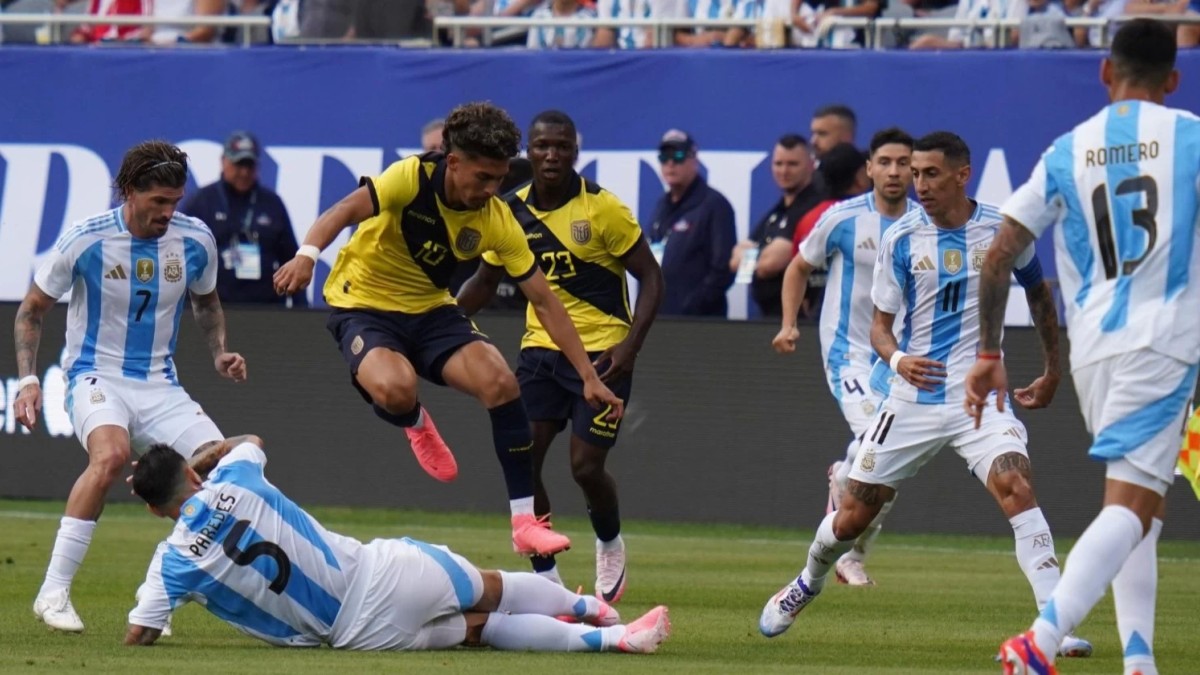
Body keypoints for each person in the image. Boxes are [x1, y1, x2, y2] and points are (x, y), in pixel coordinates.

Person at [758, 132, 1092, 662]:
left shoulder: (1005, 231)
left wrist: (1053, 369)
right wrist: (897, 360)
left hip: (977, 396)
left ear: (963, 174)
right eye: (915, 174)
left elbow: (1038, 293)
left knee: (1017, 486)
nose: (920, 185)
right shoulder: (902, 238)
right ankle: (806, 581)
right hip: (910, 398)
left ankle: (1053, 626)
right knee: (851, 518)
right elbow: (880, 328)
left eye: (930, 173)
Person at [272, 102, 625, 559]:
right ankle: (415, 421)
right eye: (484, 177)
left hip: (431, 310)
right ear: (453, 162)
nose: (492, 190)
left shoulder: (497, 218)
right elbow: (343, 210)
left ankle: (524, 523)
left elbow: (545, 301)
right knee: (396, 390)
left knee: (501, 381)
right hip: (363, 304)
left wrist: (589, 377)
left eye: (500, 178)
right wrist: (306, 256)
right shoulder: (411, 177)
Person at [969, 20, 1197, 675]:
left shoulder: (1067, 151)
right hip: (1163, 340)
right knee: (1131, 504)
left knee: (1142, 501)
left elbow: (999, 254)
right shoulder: (1190, 136)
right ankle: (1039, 641)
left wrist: (988, 354)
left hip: (1094, 348)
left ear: (1104, 71)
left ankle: (1139, 658)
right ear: (1173, 79)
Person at [124, 436, 671, 654]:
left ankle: (615, 641)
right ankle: (594, 608)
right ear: (192, 475)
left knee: (481, 630)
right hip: (380, 574)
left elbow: (140, 633)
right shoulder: (236, 476)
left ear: (152, 509)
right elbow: (249, 442)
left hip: (355, 637)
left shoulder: (171, 564)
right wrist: (200, 462)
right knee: (493, 588)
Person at [12, 140, 247, 633]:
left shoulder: (195, 240)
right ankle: (53, 593)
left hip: (160, 385)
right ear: (129, 192)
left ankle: (156, 592)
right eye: (158, 201)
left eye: (174, 202)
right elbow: (32, 310)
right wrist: (29, 379)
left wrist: (219, 352)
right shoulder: (86, 239)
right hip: (95, 375)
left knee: (222, 474)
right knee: (112, 456)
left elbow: (206, 303)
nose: (167, 213)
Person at [457, 111, 664, 601]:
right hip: (539, 354)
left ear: (576, 151)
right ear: (528, 151)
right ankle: (547, 577)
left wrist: (630, 347)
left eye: (562, 146)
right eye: (542, 146)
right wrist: (437, 319)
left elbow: (652, 277)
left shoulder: (602, 208)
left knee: (585, 467)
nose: (552, 155)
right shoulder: (509, 211)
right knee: (523, 459)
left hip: (603, 356)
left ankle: (609, 542)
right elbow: (484, 282)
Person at [771, 128, 918, 586]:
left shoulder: (924, 224)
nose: (893, 171)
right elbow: (798, 266)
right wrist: (788, 323)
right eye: (885, 162)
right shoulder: (842, 218)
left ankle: (845, 475)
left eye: (903, 163)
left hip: (897, 358)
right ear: (869, 168)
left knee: (884, 456)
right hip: (848, 351)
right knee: (883, 445)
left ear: (914, 170)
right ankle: (851, 557)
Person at [180, 131, 306, 308]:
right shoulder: (201, 202)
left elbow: (292, 260)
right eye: (239, 165)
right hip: (214, 307)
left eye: (250, 165)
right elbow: (182, 257)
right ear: (223, 161)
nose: (244, 172)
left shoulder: (272, 204)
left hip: (266, 309)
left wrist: (301, 309)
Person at [729, 134, 826, 317]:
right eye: (778, 163)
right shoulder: (778, 210)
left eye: (792, 164)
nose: (784, 171)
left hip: (800, 319)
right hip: (769, 316)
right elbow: (735, 262)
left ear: (811, 165)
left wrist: (754, 255)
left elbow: (770, 264)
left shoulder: (813, 208)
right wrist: (759, 257)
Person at [648, 129, 736, 317]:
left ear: (694, 160)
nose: (670, 163)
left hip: (699, 322)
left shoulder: (714, 205)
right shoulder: (661, 206)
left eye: (678, 156)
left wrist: (693, 307)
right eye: (664, 157)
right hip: (660, 318)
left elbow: (723, 269)